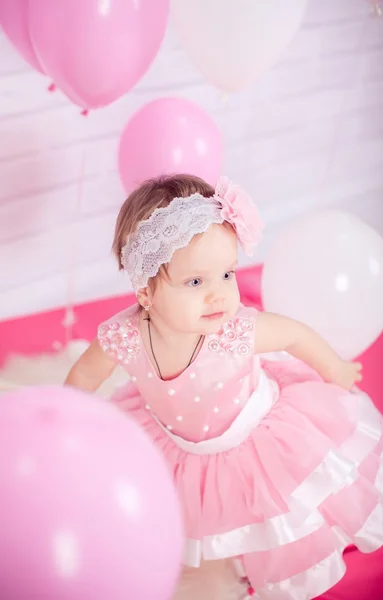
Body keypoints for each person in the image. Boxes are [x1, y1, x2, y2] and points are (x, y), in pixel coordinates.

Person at [65, 174, 383, 599]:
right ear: (145, 292)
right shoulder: (124, 336)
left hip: (252, 436)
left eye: (228, 274)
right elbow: (86, 375)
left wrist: (335, 368)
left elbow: (292, 334)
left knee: (280, 508)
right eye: (196, 282)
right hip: (175, 439)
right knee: (176, 518)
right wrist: (66, 418)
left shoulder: (235, 332)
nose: (219, 296)